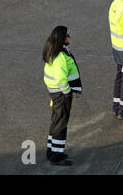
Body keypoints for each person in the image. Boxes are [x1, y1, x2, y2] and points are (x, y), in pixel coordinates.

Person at [43, 25, 82, 166]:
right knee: (60, 124)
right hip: (61, 94)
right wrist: (67, 93)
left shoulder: (57, 51)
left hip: (56, 93)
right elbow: (61, 79)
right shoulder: (60, 56)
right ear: (61, 38)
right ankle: (56, 157)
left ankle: (53, 151)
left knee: (56, 122)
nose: (70, 37)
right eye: (68, 35)